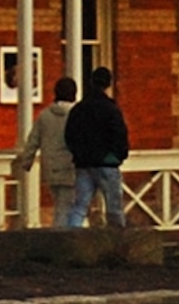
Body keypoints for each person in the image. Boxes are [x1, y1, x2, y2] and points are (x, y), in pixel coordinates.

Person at [63, 66, 133, 230]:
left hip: (84, 163)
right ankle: (117, 245)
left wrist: (79, 155)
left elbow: (70, 136)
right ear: (109, 84)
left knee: (79, 207)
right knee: (114, 207)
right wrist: (116, 157)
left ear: (91, 82)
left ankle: (69, 239)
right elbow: (119, 135)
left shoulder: (79, 109)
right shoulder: (111, 109)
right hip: (106, 163)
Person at [13, 74, 80, 224]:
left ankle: (62, 235)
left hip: (50, 168)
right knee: (67, 208)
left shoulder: (44, 115)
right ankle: (62, 239)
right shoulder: (78, 115)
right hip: (71, 167)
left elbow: (33, 141)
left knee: (59, 204)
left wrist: (26, 162)